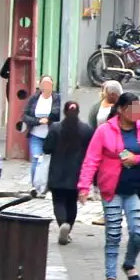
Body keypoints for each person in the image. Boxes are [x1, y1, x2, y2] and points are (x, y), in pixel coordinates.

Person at [78, 92, 140, 280]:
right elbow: (91, 159)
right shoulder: (104, 131)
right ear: (120, 109)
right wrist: (84, 186)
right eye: (131, 108)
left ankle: (129, 263)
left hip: (137, 189)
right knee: (113, 233)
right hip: (111, 188)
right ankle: (110, 277)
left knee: (138, 232)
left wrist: (135, 160)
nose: (136, 112)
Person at [43, 101, 93, 246]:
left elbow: (46, 148)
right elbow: (91, 151)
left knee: (58, 202)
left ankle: (62, 224)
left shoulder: (55, 128)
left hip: (57, 172)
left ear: (64, 112)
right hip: (76, 172)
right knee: (72, 203)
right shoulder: (86, 130)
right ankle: (68, 228)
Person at [21, 74, 60, 188]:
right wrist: (38, 121)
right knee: (36, 159)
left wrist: (49, 120)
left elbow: (58, 114)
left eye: (49, 83)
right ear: (40, 85)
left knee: (50, 161)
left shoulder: (57, 98)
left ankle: (48, 185)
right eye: (45, 83)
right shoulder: (34, 99)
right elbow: (25, 116)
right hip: (36, 135)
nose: (47, 86)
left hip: (51, 136)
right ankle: (35, 186)